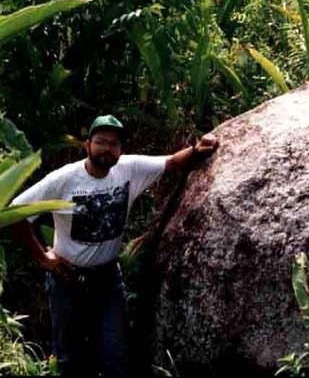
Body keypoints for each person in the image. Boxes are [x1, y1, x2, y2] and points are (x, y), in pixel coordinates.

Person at [10, 114, 218, 377]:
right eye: (101, 142)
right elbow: (17, 212)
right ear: (88, 145)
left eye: (114, 144)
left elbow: (173, 162)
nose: (107, 149)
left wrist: (199, 148)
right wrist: (42, 258)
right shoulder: (64, 179)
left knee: (116, 355)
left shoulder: (129, 169)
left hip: (107, 278)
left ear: (120, 150)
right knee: (69, 356)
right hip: (66, 278)